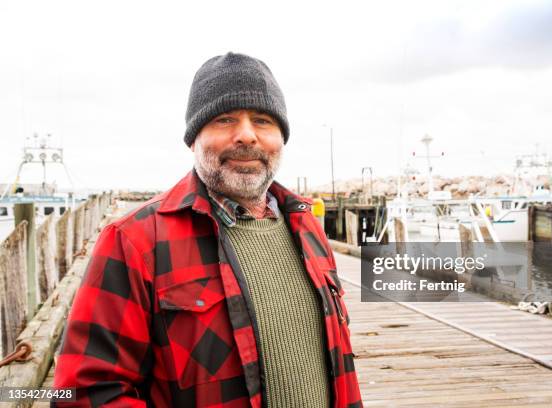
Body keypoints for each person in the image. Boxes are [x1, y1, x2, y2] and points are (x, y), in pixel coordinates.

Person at [53, 52, 362, 408]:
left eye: (262, 120)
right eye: (224, 119)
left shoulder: (307, 225)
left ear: (281, 138)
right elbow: (85, 394)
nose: (246, 136)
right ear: (193, 139)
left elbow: (341, 369)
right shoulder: (133, 241)